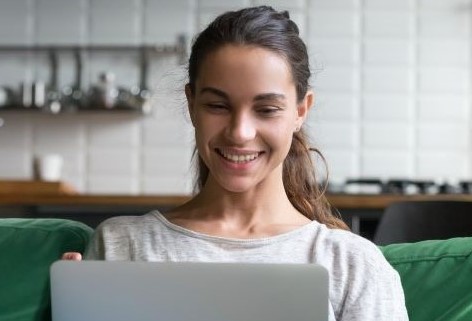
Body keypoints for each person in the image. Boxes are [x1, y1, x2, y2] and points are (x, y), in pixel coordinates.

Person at [63, 6, 408, 321]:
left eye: (266, 109)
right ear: (192, 103)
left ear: (301, 111)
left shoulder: (353, 264)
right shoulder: (122, 244)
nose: (240, 133)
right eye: (218, 106)